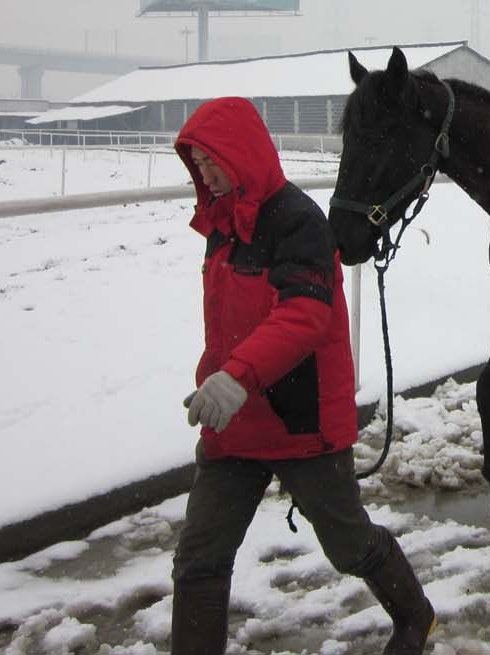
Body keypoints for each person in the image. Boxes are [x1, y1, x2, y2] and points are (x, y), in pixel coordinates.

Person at [170, 97, 435, 655]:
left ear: (242, 154)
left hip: (302, 424)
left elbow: (305, 314)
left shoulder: (298, 223)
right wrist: (219, 379)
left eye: (212, 161)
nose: (205, 175)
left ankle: (415, 615)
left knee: (349, 545)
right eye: (196, 164)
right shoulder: (222, 225)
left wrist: (238, 376)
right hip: (234, 428)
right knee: (199, 558)